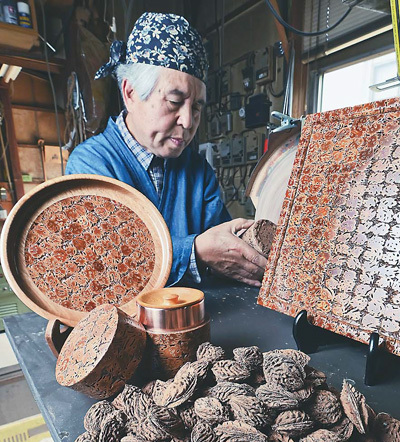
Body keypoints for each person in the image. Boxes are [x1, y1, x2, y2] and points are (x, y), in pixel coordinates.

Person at [66, 12, 267, 287]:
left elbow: (224, 250)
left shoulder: (198, 172)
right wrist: (194, 252)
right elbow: (104, 267)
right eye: (174, 101)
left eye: (196, 107)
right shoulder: (90, 166)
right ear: (131, 93)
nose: (188, 121)